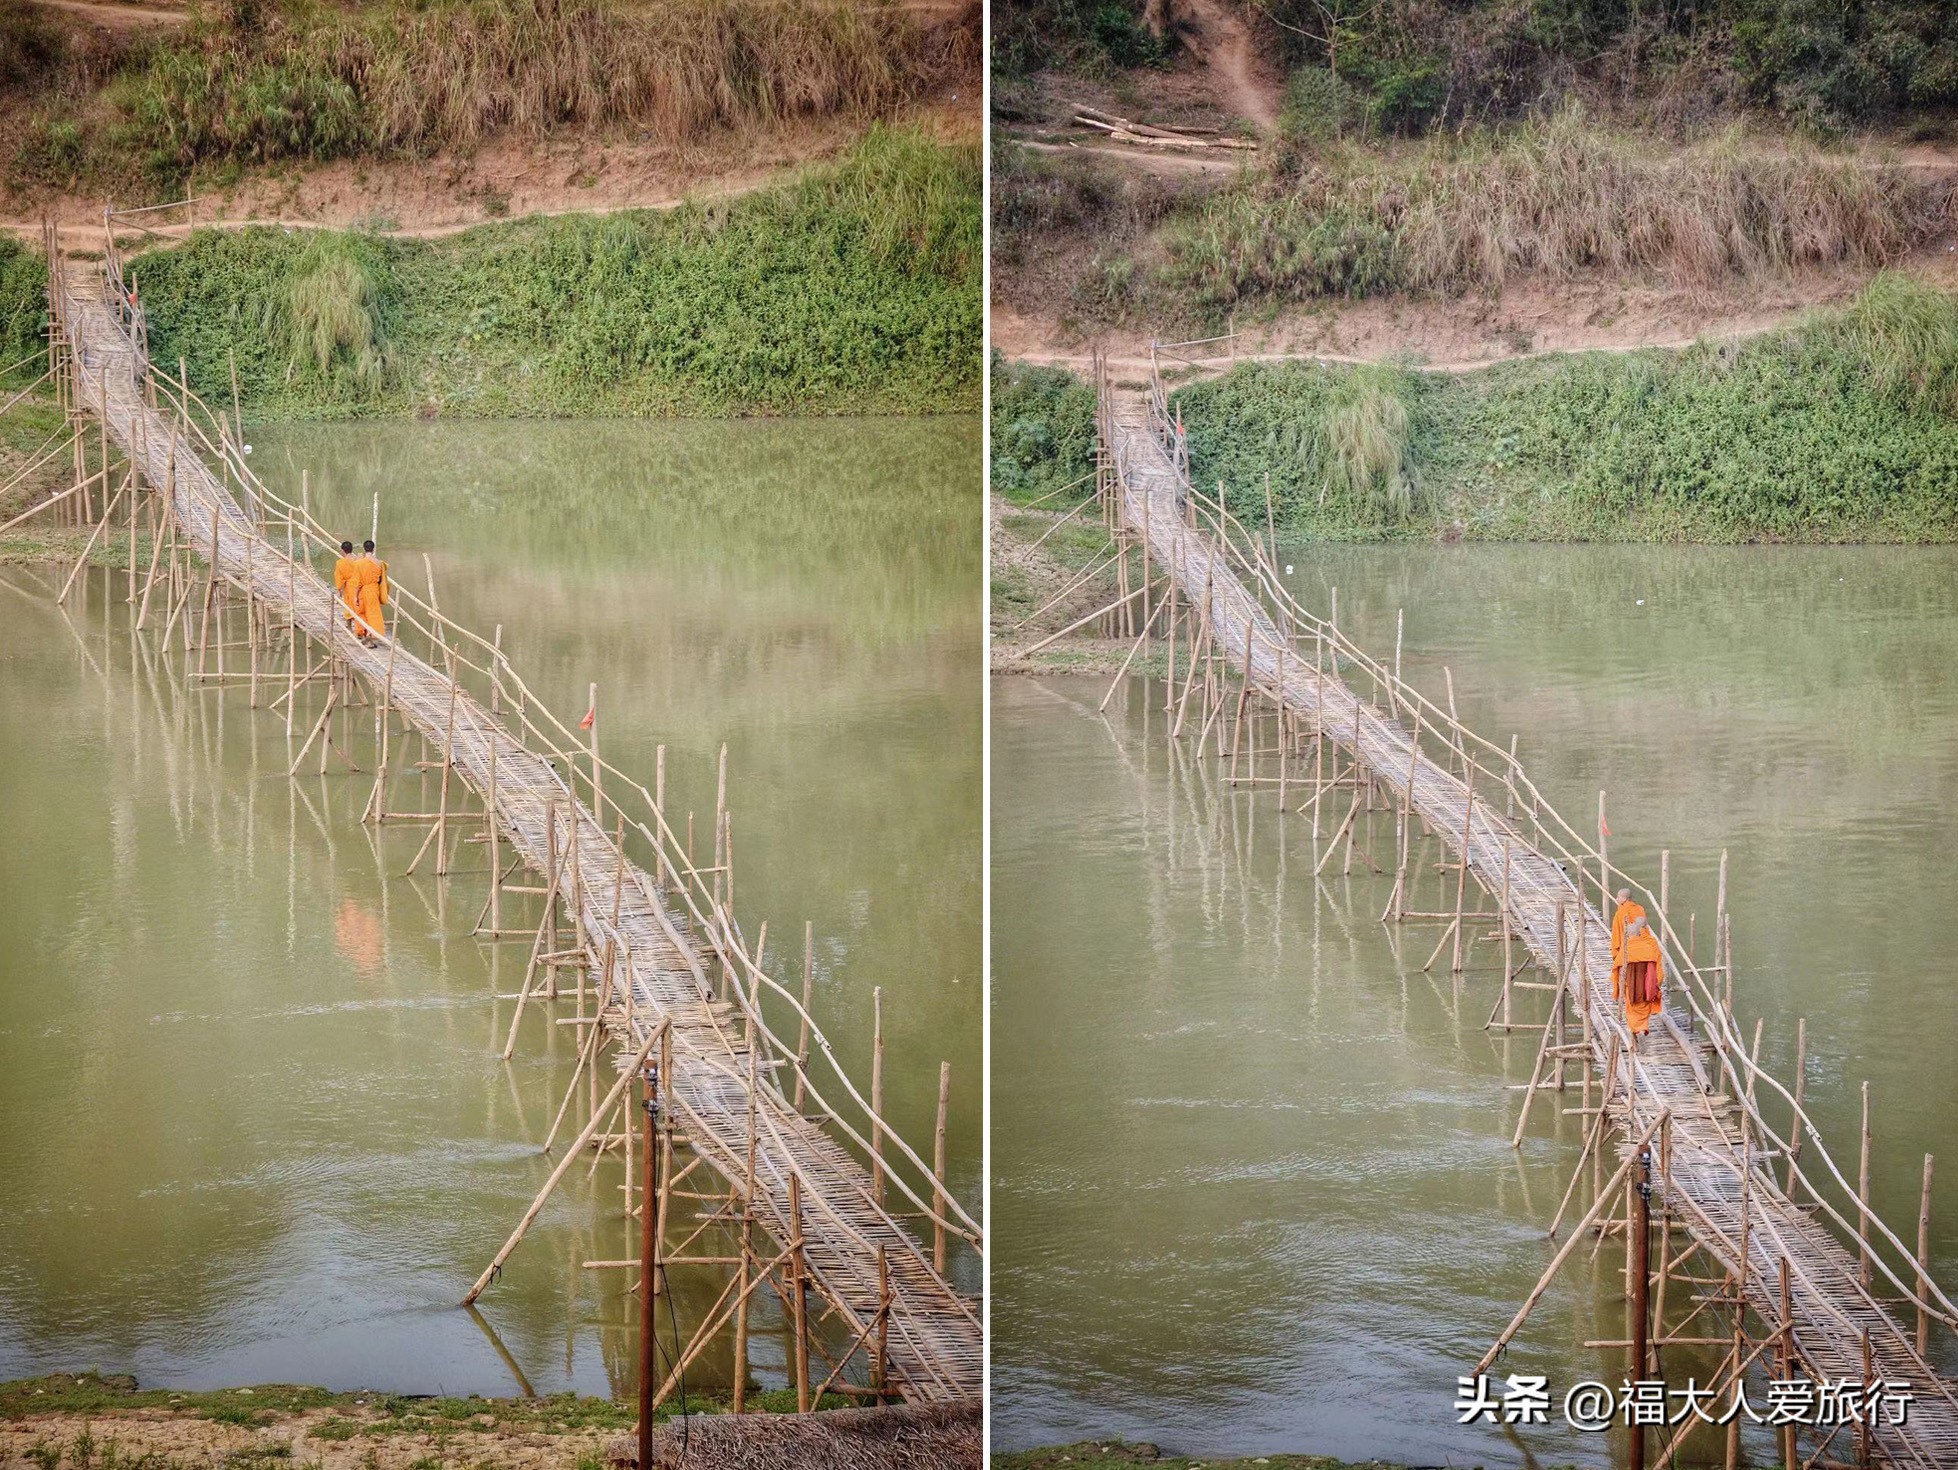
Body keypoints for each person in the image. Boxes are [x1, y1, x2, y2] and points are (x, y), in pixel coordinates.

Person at [1619, 914, 1664, 1045]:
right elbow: (1654, 968)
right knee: (1643, 1008)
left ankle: (1634, 1033)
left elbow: (1618, 968)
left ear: (1628, 936)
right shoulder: (1648, 947)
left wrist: (1619, 986)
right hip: (1645, 986)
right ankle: (1642, 1029)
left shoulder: (1625, 949)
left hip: (1630, 987)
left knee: (1631, 1009)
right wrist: (1656, 983)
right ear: (1639, 933)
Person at [1610, 886, 1645, 993]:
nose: (1616, 899)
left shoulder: (1620, 913)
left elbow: (1616, 934)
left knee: (1624, 970)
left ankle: (1625, 991)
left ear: (1624, 898)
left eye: (1618, 897)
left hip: (1626, 946)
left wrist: (1616, 950)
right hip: (1641, 945)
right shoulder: (1640, 909)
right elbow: (1644, 926)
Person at [354, 539, 388, 647]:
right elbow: (381, 579)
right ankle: (372, 634)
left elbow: (358, 582)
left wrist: (355, 596)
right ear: (373, 549)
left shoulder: (359, 563)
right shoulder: (379, 563)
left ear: (364, 549)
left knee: (365, 612)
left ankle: (369, 635)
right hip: (374, 589)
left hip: (364, 590)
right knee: (373, 612)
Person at [333, 540, 360, 633]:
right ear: (352, 549)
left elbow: (338, 577)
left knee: (349, 606)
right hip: (359, 586)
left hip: (349, 587)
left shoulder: (340, 563)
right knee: (359, 606)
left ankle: (349, 627)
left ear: (342, 551)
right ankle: (360, 628)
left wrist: (339, 590)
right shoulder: (359, 560)